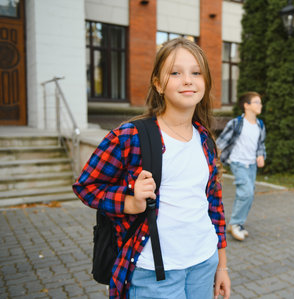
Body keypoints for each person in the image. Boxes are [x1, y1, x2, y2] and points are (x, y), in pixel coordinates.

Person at [73, 38, 230, 299]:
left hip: (204, 262)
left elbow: (214, 204)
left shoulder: (205, 139)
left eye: (196, 73)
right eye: (176, 73)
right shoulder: (129, 136)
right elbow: (86, 186)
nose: (188, 80)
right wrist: (129, 202)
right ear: (158, 83)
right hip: (154, 273)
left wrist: (222, 265)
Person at [216, 92, 266, 241]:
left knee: (247, 195)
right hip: (238, 163)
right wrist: (213, 159)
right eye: (256, 102)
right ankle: (235, 224)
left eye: (260, 102)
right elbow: (221, 142)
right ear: (246, 105)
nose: (260, 105)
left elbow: (260, 144)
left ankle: (239, 224)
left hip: (251, 165)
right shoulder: (236, 123)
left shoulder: (260, 124)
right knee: (246, 193)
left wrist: (260, 155)